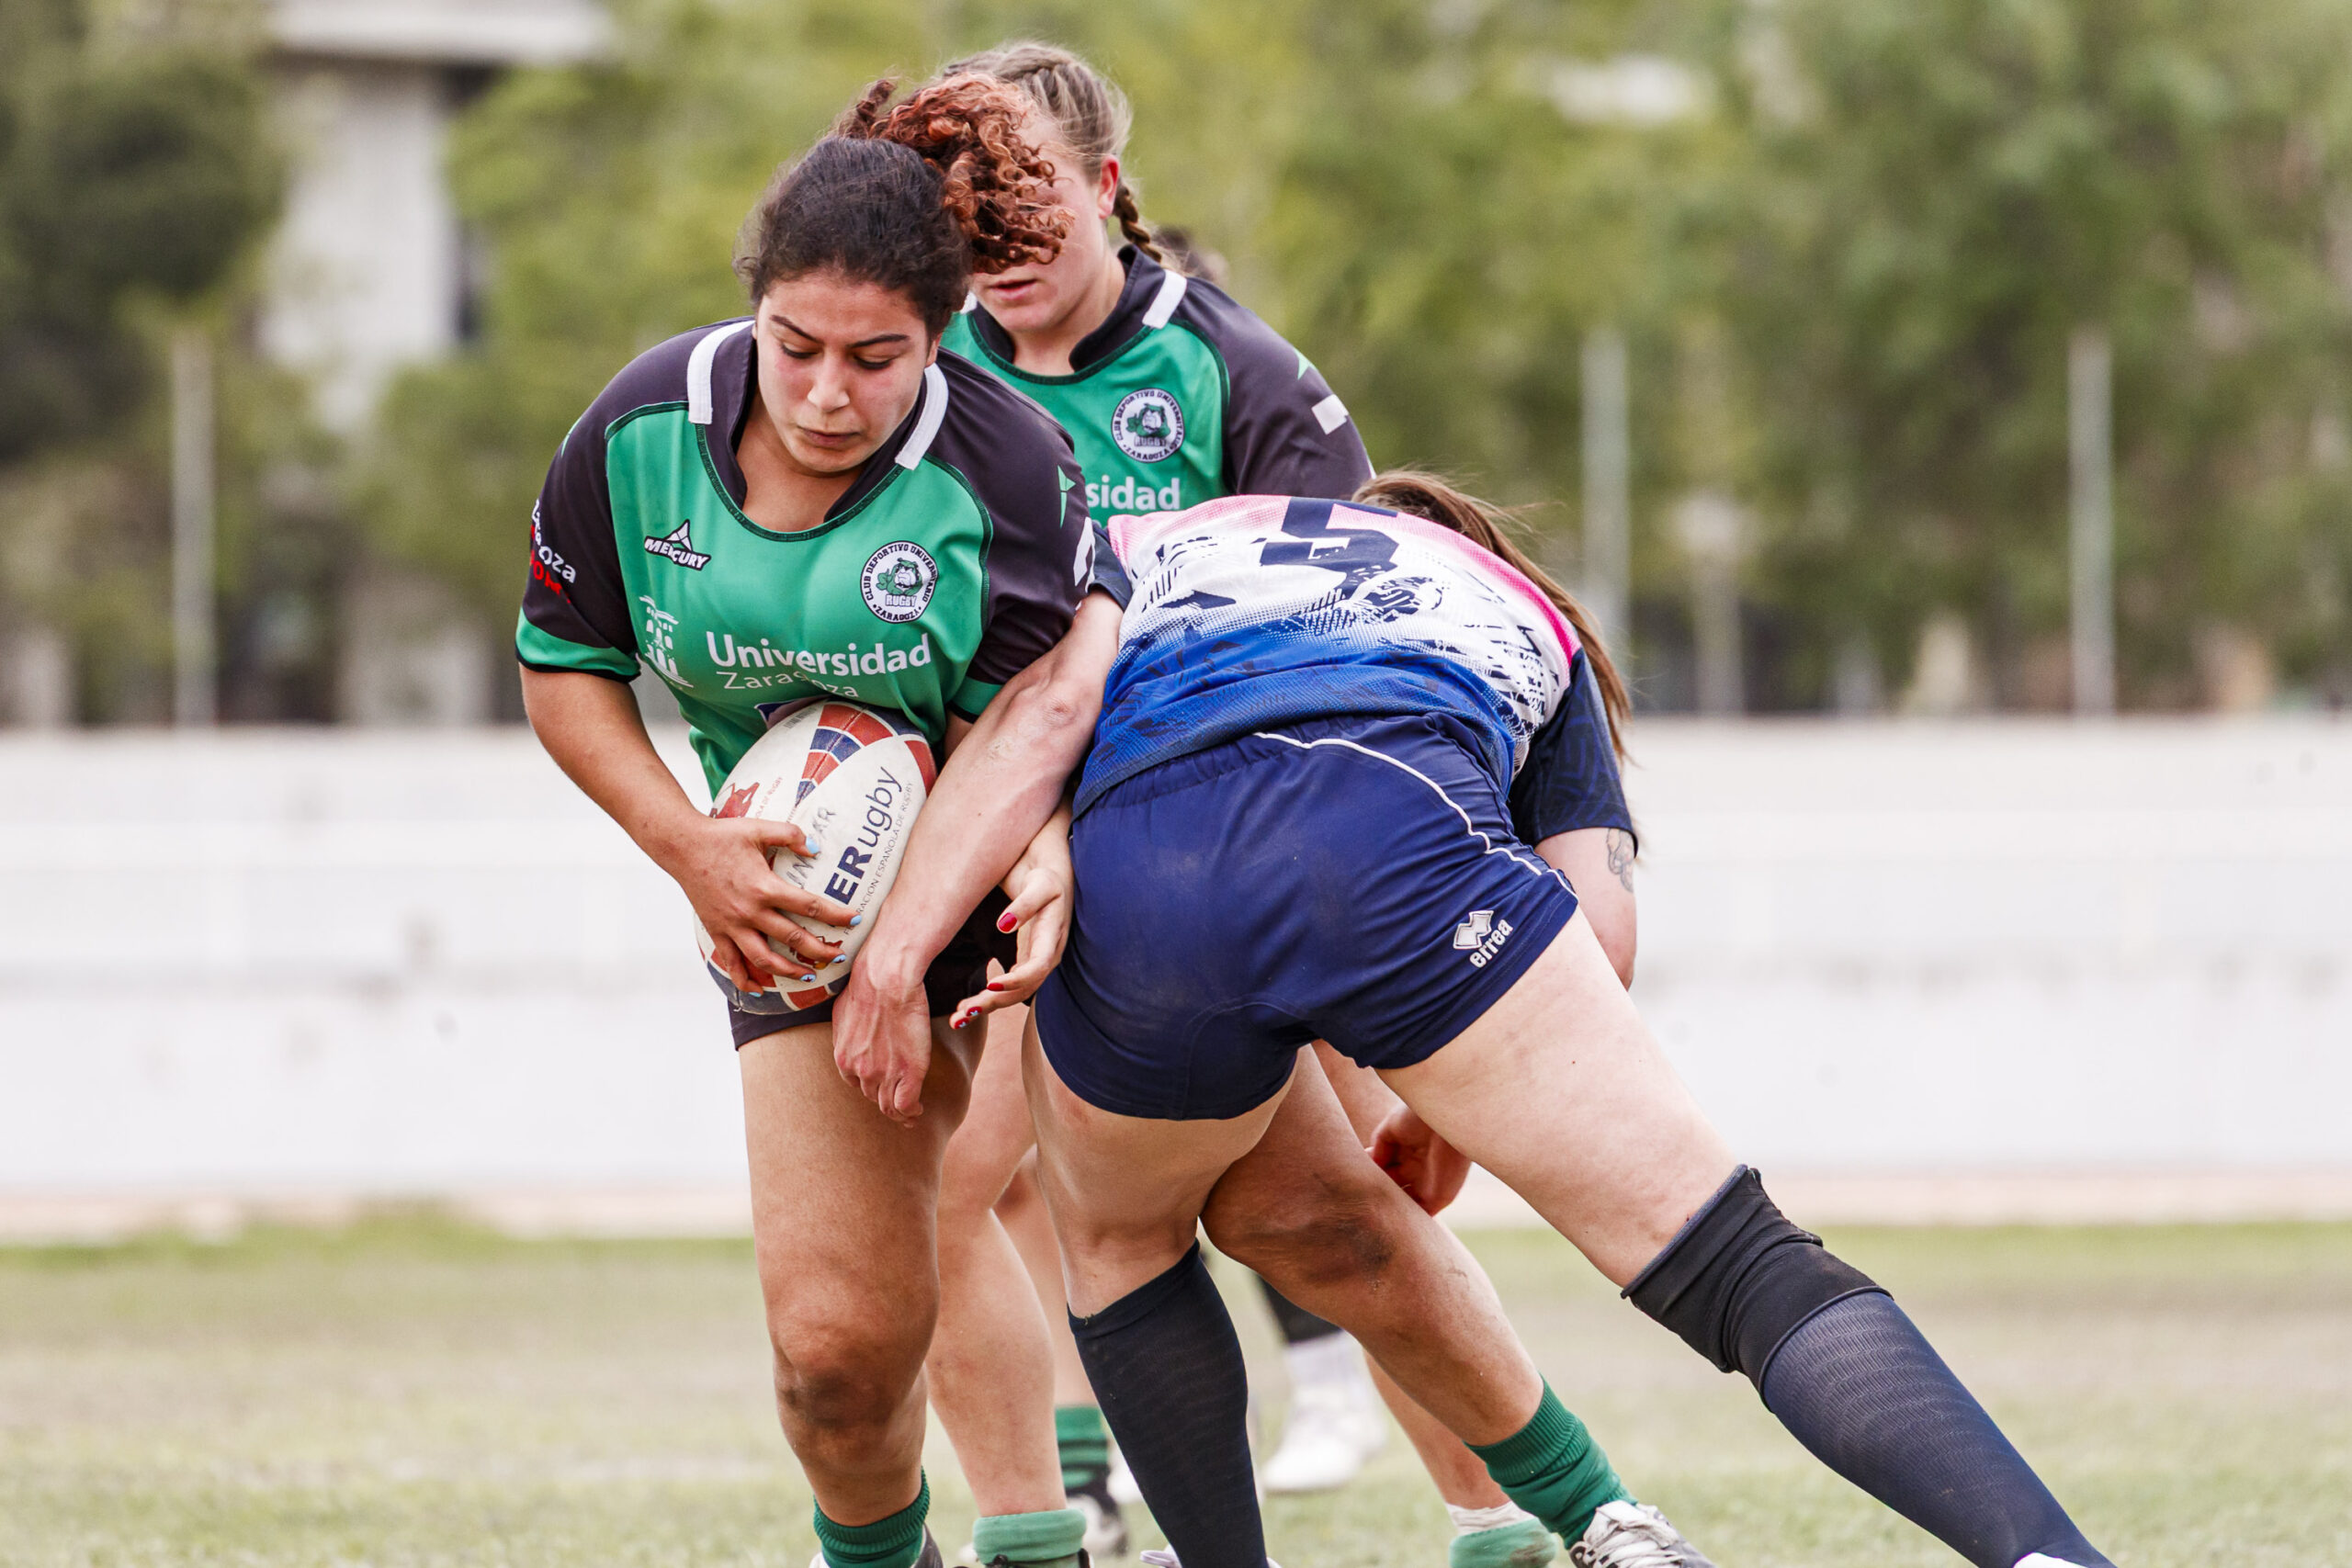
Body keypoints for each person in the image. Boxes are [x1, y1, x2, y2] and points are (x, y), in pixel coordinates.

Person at [841, 480, 2120, 1568]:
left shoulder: (1158, 538)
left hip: (1146, 864)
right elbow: (1594, 933)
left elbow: (1027, 730)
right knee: (1737, 1260)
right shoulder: (1522, 615)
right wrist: (1449, 1094)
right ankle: (2045, 1553)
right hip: (1396, 830)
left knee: (1124, 1251)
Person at [915, 43, 1644, 1567]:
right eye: (971, 212)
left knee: (1362, 1200)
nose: (1005, 245)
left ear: (1110, 189)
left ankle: (1495, 1516)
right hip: (1021, 835)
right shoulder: (930, 377)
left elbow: (1375, 622)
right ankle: (1043, 1522)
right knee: (951, 1177)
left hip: (1242, 834)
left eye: (1032, 197)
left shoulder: (1241, 375)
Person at [516, 74, 1115, 1568]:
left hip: (1009, 857)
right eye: (795, 347)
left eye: (877, 358)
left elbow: (1016, 730)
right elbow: (564, 668)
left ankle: (1516, 1504)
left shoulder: (1005, 470)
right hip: (787, 886)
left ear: (947, 331)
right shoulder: (637, 432)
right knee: (839, 1360)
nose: (828, 393)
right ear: (755, 309)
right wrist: (690, 848)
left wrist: (952, 921)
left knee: (1244, 1204)